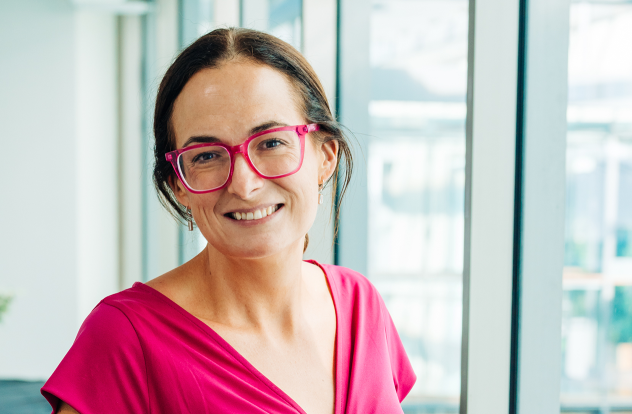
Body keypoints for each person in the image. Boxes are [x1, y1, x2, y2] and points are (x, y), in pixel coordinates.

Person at [40, 28, 416, 414]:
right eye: (205, 156)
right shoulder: (126, 339)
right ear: (179, 185)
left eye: (271, 143)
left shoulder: (360, 305)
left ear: (325, 157)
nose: (244, 184)